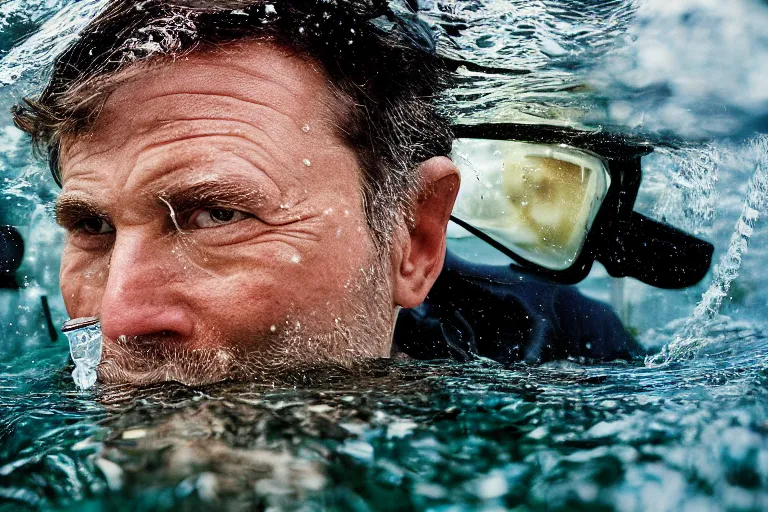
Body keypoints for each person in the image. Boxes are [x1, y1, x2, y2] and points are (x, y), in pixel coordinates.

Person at [11, 0, 639, 386]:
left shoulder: (554, 350)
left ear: (413, 239)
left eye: (216, 215)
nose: (119, 323)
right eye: (93, 227)